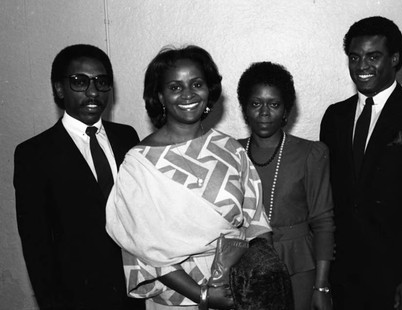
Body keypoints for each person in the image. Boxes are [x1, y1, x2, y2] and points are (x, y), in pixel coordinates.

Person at [105, 45, 272, 310]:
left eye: (196, 84)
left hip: (236, 291)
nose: (188, 95)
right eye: (175, 87)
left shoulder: (232, 150)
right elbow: (143, 248)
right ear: (159, 95)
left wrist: (256, 284)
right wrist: (203, 295)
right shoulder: (139, 164)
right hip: (176, 298)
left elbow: (256, 222)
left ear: (209, 90)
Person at [320, 16, 402, 310]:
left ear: (395, 59)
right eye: (354, 57)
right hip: (341, 276)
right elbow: (328, 198)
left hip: (396, 277)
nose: (362, 66)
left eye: (373, 56)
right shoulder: (335, 117)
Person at [13, 44, 144, 309]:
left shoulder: (127, 137)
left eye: (101, 81)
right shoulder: (34, 154)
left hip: (134, 291)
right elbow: (36, 246)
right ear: (59, 89)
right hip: (77, 298)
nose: (93, 91)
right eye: (79, 82)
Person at [237, 61, 335, 310]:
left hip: (297, 264)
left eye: (274, 104)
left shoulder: (311, 153)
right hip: (242, 264)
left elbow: (323, 223)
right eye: (256, 103)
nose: (265, 112)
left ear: (286, 110)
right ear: (245, 109)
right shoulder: (231, 152)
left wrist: (321, 286)